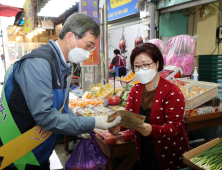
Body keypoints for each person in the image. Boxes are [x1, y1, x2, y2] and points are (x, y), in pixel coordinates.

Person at [1, 13, 121, 170]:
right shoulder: (39, 64)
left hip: (39, 153)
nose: (90, 51)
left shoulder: (63, 65)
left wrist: (84, 126)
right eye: (89, 44)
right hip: (18, 156)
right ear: (70, 36)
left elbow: (62, 108)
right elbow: (45, 117)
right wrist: (93, 122)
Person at [109, 43, 189, 170]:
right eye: (137, 66)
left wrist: (152, 130)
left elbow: (175, 127)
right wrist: (118, 125)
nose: (141, 69)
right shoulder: (136, 89)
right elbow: (128, 117)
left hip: (169, 155)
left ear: (157, 64)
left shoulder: (172, 91)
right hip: (144, 151)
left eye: (146, 65)